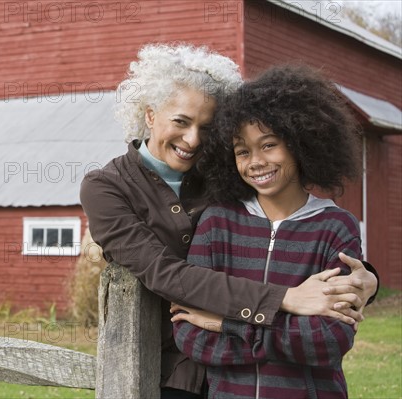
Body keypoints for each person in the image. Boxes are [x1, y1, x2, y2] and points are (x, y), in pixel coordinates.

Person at [79, 44, 378, 398]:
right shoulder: (106, 187)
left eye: (206, 128)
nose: (192, 140)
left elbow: (295, 232)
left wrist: (367, 279)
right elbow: (166, 274)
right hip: (164, 368)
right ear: (149, 114)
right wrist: (284, 299)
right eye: (181, 121)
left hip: (229, 371)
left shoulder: (221, 176)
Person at [171, 65, 365, 398]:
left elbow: (329, 340)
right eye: (242, 151)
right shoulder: (217, 223)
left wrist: (225, 323)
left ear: (299, 143)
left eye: (269, 145)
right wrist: (286, 331)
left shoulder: (336, 226)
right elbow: (192, 335)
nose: (255, 161)